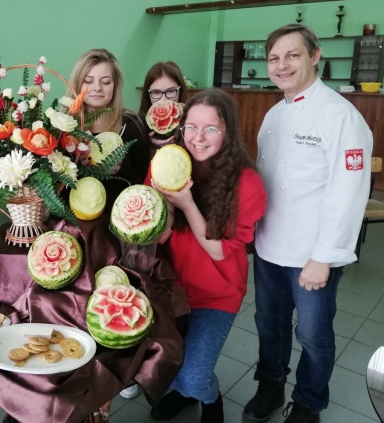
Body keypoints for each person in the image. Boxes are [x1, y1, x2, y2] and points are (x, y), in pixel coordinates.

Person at [243, 23, 372, 423]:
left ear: (315, 56)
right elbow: (265, 184)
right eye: (274, 58)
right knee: (269, 324)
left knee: (313, 335)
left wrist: (323, 256)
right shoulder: (273, 115)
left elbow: (348, 192)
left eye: (292, 55)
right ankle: (270, 386)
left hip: (312, 254)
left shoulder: (341, 116)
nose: (281, 65)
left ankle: (308, 402)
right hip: (269, 246)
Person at [148, 89, 267, 423]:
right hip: (172, 287)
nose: (198, 138)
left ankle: (210, 401)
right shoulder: (168, 164)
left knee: (194, 376)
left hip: (217, 293)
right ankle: (184, 395)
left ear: (228, 131)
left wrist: (186, 203)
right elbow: (160, 235)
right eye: (191, 127)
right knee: (165, 365)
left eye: (210, 128)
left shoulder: (247, 183)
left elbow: (217, 249)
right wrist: (166, 206)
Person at [68, 48, 150, 205]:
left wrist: (123, 168)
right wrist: (77, 168)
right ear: (77, 84)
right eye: (88, 81)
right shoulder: (64, 126)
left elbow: (144, 187)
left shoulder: (131, 125)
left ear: (115, 85)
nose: (97, 88)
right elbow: (54, 190)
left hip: (122, 214)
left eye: (105, 82)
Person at [137, 61, 188, 152]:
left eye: (171, 91)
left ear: (180, 91)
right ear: (148, 95)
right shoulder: (137, 127)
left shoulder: (192, 122)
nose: (163, 100)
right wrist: (147, 143)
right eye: (156, 92)